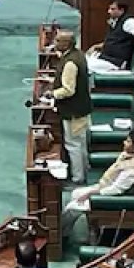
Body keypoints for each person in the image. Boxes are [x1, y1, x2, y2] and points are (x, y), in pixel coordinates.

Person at [61, 129, 134, 239]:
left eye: (128, 141)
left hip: (112, 199)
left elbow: (116, 190)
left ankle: (61, 235)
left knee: (72, 208)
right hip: (104, 186)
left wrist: (91, 193)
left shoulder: (132, 170)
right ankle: (65, 230)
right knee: (75, 193)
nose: (124, 143)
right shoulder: (132, 155)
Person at [43, 31, 92, 186]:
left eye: (58, 40)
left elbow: (68, 90)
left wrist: (52, 94)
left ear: (66, 44)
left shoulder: (70, 63)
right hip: (81, 108)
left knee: (73, 145)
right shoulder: (78, 54)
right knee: (80, 143)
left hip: (73, 111)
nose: (55, 42)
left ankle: (77, 178)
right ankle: (84, 172)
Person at [84, 0, 134, 73]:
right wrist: (96, 46)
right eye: (109, 9)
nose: (109, 11)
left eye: (113, 9)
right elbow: (114, 41)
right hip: (106, 58)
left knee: (84, 66)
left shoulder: (128, 21)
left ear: (121, 10)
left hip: (116, 63)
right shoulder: (115, 22)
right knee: (83, 60)